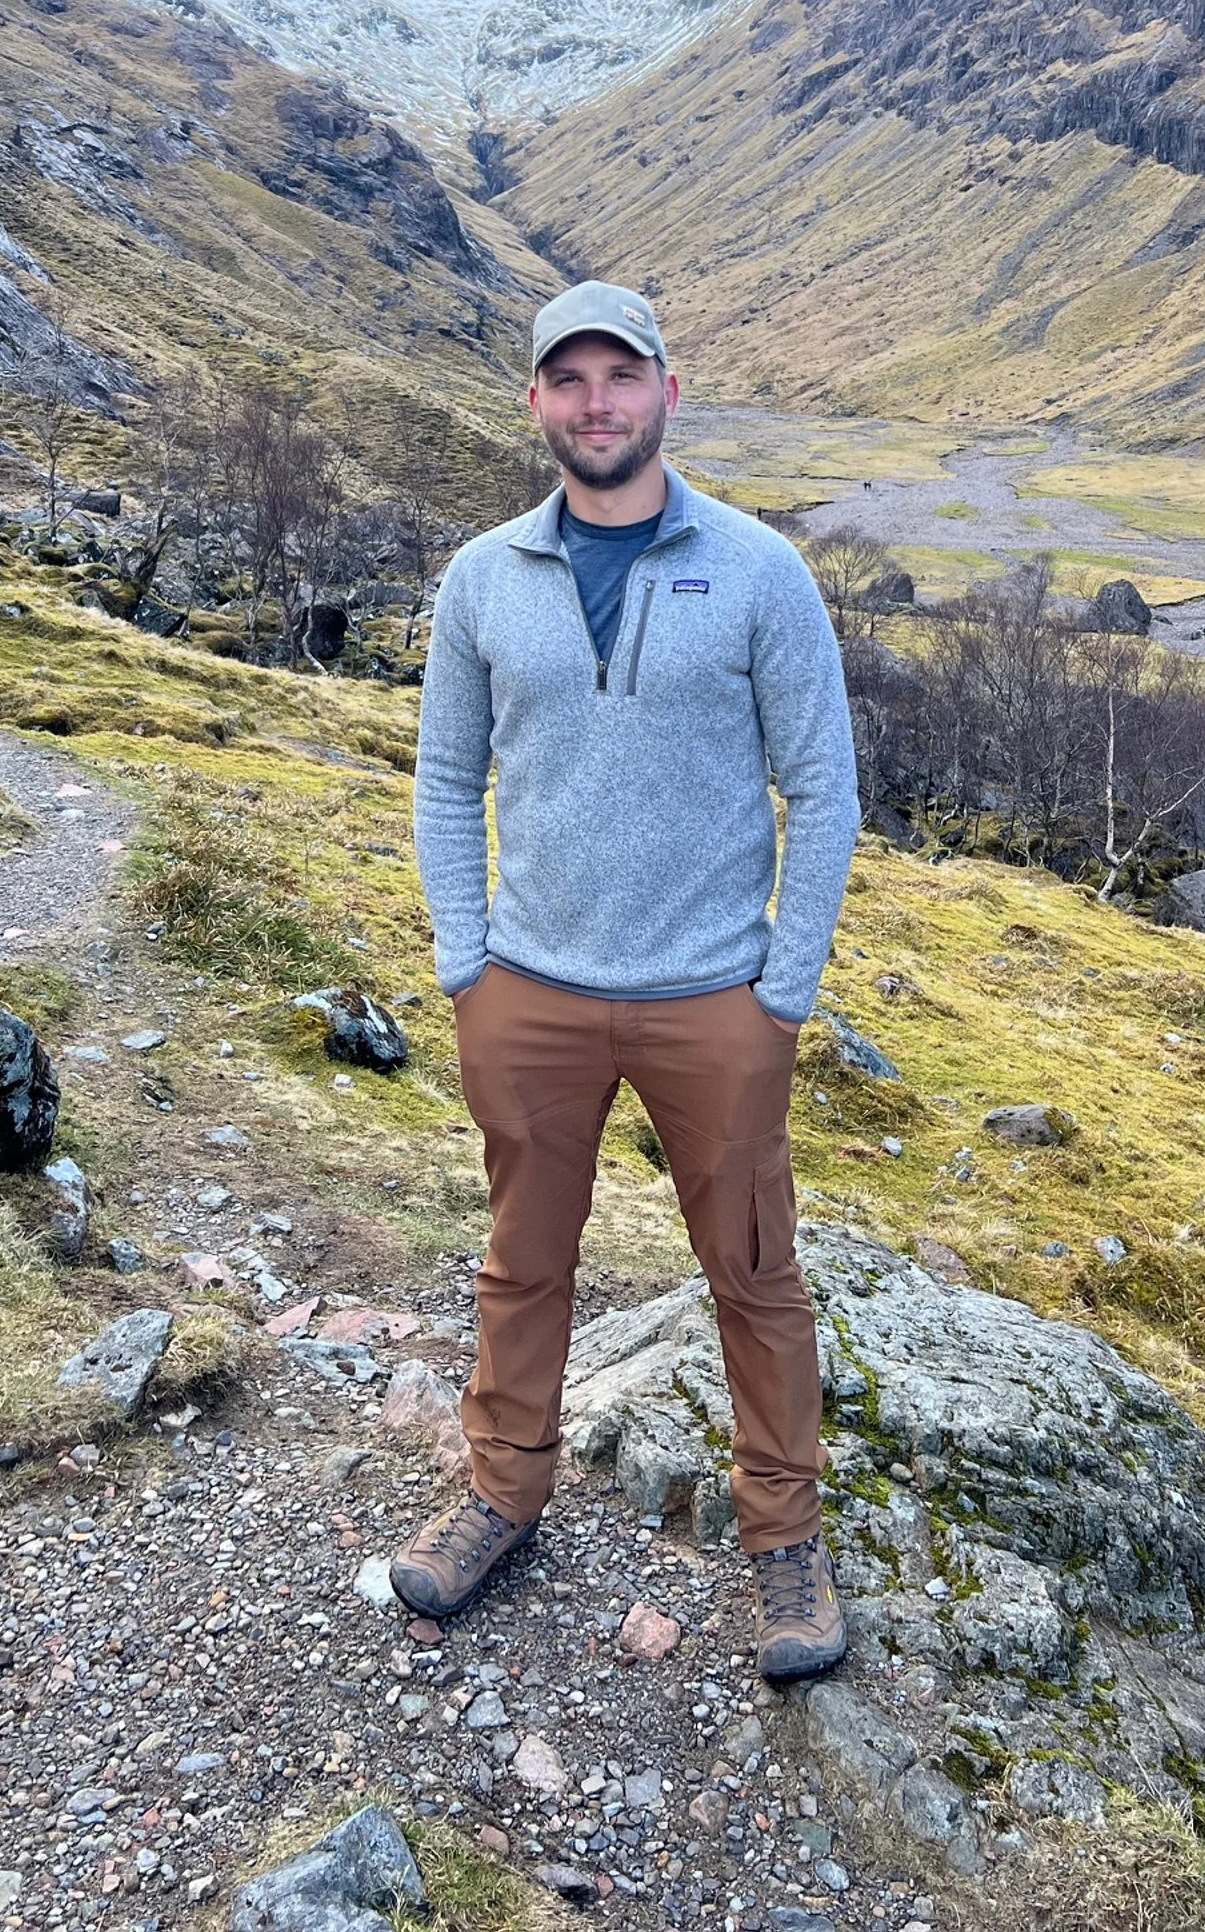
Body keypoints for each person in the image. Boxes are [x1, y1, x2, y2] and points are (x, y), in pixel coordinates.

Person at [394, 278, 861, 1680]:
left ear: (667, 389)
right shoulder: (484, 576)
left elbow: (823, 789)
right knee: (522, 1261)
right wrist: (466, 963)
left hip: (714, 1000)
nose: (596, 404)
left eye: (621, 376)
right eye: (568, 380)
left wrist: (781, 991)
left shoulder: (762, 571)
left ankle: (784, 1543)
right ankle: (500, 1493)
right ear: (536, 402)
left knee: (756, 1274)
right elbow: (443, 778)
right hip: (526, 990)